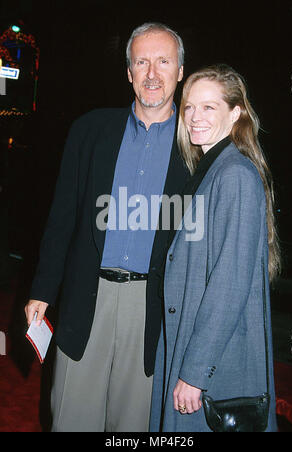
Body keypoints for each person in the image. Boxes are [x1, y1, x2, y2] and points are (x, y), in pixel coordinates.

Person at [24, 23, 189, 432]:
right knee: (71, 419)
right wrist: (43, 290)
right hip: (87, 298)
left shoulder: (197, 143)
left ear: (181, 71)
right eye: (141, 62)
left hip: (154, 308)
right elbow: (62, 216)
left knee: (133, 428)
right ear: (128, 72)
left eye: (163, 61)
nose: (152, 73)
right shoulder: (89, 130)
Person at [150, 64, 281, 432]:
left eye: (209, 107)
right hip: (198, 345)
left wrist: (194, 373)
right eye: (189, 106)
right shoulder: (210, 171)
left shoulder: (234, 174)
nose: (194, 117)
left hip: (215, 364)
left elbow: (229, 285)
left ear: (236, 112)